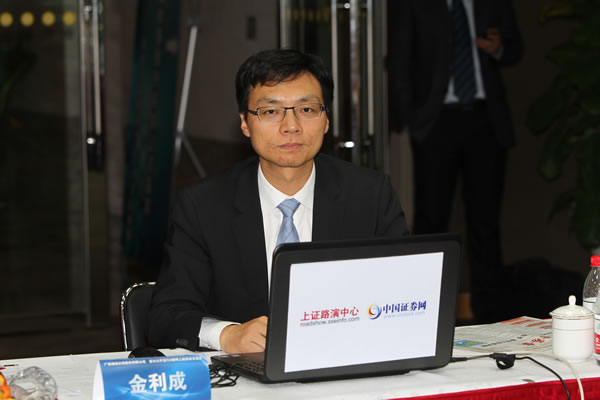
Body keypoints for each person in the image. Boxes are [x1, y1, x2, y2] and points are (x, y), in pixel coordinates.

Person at [148, 49, 409, 353]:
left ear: (326, 120)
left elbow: (407, 295)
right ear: (245, 123)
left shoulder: (370, 195)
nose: (291, 126)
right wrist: (226, 335)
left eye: (307, 109)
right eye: (271, 112)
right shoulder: (202, 206)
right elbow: (165, 317)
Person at [388, 0, 523, 322]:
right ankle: (421, 310)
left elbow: (515, 48)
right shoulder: (414, 5)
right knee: (431, 221)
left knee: (486, 224)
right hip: (436, 122)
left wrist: (499, 48)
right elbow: (398, 58)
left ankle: (491, 316)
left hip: (486, 120)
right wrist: (412, 120)